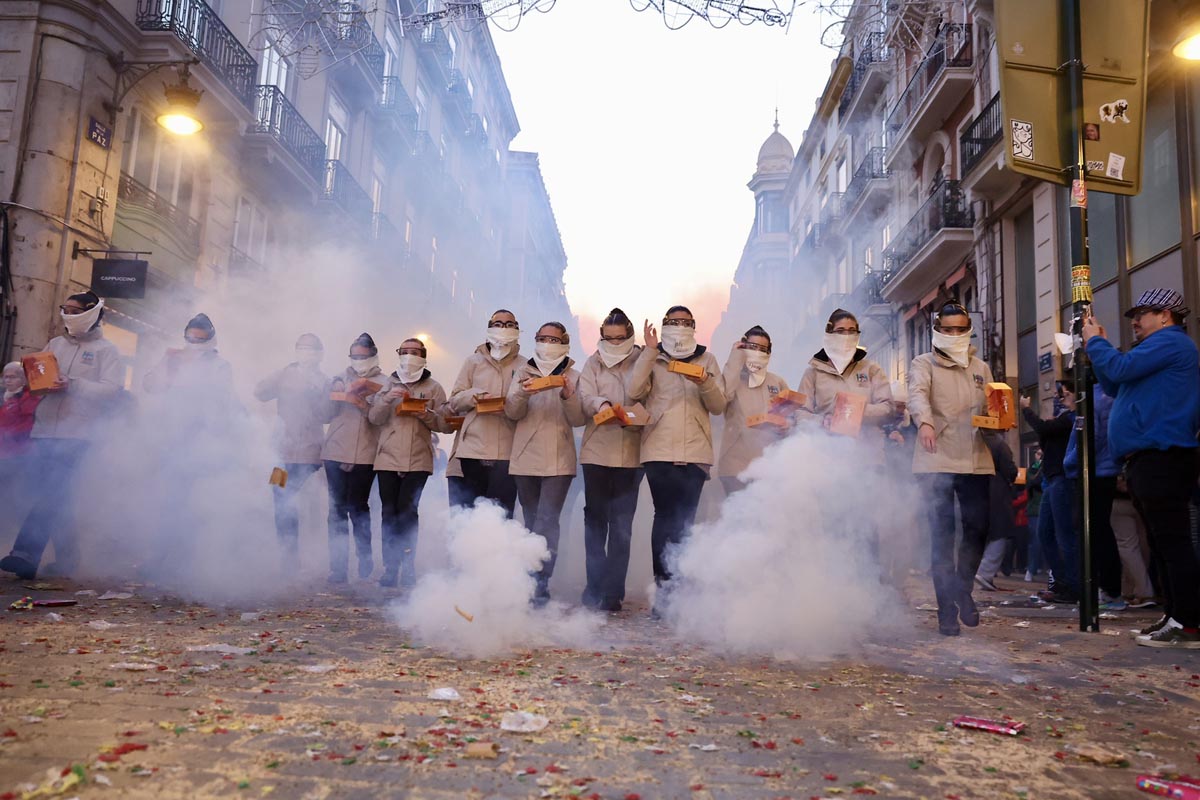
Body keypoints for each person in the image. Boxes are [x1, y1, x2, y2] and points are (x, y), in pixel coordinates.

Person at [1083, 288, 1200, 648]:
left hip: (1161, 455)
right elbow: (1114, 382)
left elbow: (1117, 368)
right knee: (1163, 543)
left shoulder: (1170, 343)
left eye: (1142, 313)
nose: (1135, 321)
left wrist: (1094, 344)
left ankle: (1188, 622)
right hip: (1148, 457)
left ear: (1166, 316)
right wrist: (1099, 348)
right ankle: (1175, 615)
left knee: (1172, 542)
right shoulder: (1159, 348)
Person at [1, 291, 123, 580]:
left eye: (74, 310)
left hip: (78, 434)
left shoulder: (108, 351)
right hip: (44, 431)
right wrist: (36, 385)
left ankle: (25, 554)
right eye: (64, 309)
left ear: (91, 313)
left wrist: (74, 384)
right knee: (59, 496)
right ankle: (68, 559)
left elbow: (112, 390)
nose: (67, 314)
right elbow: (38, 378)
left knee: (51, 491)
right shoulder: (55, 344)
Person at [627, 305, 727, 615]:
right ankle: (664, 591)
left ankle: (680, 592)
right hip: (659, 449)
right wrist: (649, 352)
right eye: (673, 322)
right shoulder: (654, 358)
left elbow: (719, 404)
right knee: (664, 518)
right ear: (664, 325)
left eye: (685, 322)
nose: (679, 326)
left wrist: (704, 381)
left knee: (685, 523)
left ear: (694, 327)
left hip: (695, 452)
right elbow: (633, 391)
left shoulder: (707, 359)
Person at [908, 302, 995, 636]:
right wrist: (925, 423)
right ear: (937, 330)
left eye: (961, 329)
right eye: (948, 329)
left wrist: (999, 420)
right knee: (941, 536)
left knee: (978, 527)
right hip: (936, 458)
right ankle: (945, 610)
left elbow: (992, 406)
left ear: (969, 330)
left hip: (975, 456)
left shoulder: (980, 368)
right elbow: (917, 395)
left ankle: (963, 588)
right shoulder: (923, 364)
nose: (955, 335)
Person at [504, 322, 585, 604]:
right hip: (525, 458)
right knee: (530, 520)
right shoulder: (522, 372)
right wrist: (522, 393)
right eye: (541, 338)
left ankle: (542, 580)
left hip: (559, 460)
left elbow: (578, 419)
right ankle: (526, 576)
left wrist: (568, 395)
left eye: (553, 339)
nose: (546, 343)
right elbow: (512, 413)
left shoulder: (574, 374)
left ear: (564, 343)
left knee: (548, 520)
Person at [577, 308, 644, 612]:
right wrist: (600, 404)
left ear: (630, 336)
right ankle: (594, 586)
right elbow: (584, 396)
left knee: (621, 526)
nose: (615, 343)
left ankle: (613, 591)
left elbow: (646, 393)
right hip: (596, 452)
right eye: (609, 338)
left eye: (620, 338)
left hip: (632, 454)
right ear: (602, 336)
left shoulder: (644, 360)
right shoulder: (593, 362)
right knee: (595, 523)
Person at [368, 338, 448, 588]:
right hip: (387, 459)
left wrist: (423, 413)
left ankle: (409, 566)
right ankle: (390, 568)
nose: (409, 356)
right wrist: (386, 399)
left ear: (424, 357)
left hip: (418, 459)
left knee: (408, 513)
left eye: (415, 352)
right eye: (405, 352)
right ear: (398, 354)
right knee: (388, 513)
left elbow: (444, 424)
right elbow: (374, 418)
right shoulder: (386, 384)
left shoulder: (434, 387)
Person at [254, 334, 329, 565]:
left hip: (308, 452)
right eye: (303, 349)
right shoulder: (285, 373)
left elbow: (327, 414)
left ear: (320, 355)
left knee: (290, 495)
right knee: (279, 496)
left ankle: (294, 553)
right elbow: (260, 392)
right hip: (281, 451)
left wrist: (316, 394)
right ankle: (286, 552)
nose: (307, 353)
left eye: (312, 349)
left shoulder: (323, 380)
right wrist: (280, 377)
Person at [445, 310, 524, 517]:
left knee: (501, 517)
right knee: (469, 517)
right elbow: (455, 399)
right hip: (473, 450)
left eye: (509, 324)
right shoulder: (473, 361)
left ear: (517, 329)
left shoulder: (525, 365)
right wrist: (476, 396)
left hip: (507, 452)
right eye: (498, 323)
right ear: (490, 327)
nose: (503, 328)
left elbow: (523, 408)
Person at [320, 333, 383, 583]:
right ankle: (337, 568)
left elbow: (382, 418)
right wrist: (332, 392)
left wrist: (364, 401)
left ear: (373, 356)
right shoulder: (338, 379)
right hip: (335, 451)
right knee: (336, 510)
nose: (359, 361)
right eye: (355, 356)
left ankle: (364, 558)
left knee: (358, 508)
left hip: (366, 454)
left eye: (364, 356)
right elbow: (324, 414)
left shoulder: (385, 382)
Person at [798, 309, 894, 455]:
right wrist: (822, 421)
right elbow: (801, 413)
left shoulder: (871, 369)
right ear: (829, 334)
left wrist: (857, 411)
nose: (846, 336)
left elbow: (888, 408)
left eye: (852, 331)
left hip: (867, 455)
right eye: (840, 331)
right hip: (825, 454)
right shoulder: (813, 373)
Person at [1063, 385, 1125, 609]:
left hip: (1093, 471)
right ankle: (1108, 591)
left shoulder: (1092, 398)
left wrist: (1069, 462)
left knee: (1095, 533)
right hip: (1104, 471)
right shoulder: (1108, 395)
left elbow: (1091, 437)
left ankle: (1108, 591)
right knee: (1100, 532)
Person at [1020, 384, 1078, 602]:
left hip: (1062, 479)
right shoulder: (1062, 419)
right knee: (1044, 533)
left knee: (1064, 535)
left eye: (1063, 395)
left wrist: (1026, 409)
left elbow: (1043, 429)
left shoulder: (1072, 418)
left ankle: (1073, 586)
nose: (1059, 399)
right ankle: (1061, 582)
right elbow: (1046, 434)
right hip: (1052, 479)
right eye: (1056, 396)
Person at [717, 325, 791, 496]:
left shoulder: (777, 382)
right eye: (752, 347)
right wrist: (735, 357)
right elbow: (724, 397)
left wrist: (786, 425)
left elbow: (791, 416)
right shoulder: (732, 378)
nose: (757, 352)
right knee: (738, 516)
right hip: (735, 465)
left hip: (768, 464)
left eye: (762, 349)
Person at [974, 434, 1019, 591]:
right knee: (1000, 533)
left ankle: (976, 571)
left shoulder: (974, 440)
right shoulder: (999, 443)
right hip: (997, 491)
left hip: (975, 490)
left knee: (980, 533)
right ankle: (985, 572)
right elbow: (1010, 469)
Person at [0, 362, 41, 526]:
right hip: (4, 452)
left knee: (12, 493)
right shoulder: (3, 395)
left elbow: (26, 425)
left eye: (13, 377)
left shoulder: (30, 398)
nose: (8, 381)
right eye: (5, 377)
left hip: (18, 454)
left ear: (24, 379)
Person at [1023, 449, 1044, 581]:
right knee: (1035, 541)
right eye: (1038, 454)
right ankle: (1031, 568)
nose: (1040, 456)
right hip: (1035, 510)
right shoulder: (1032, 469)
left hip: (1042, 507)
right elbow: (1032, 482)